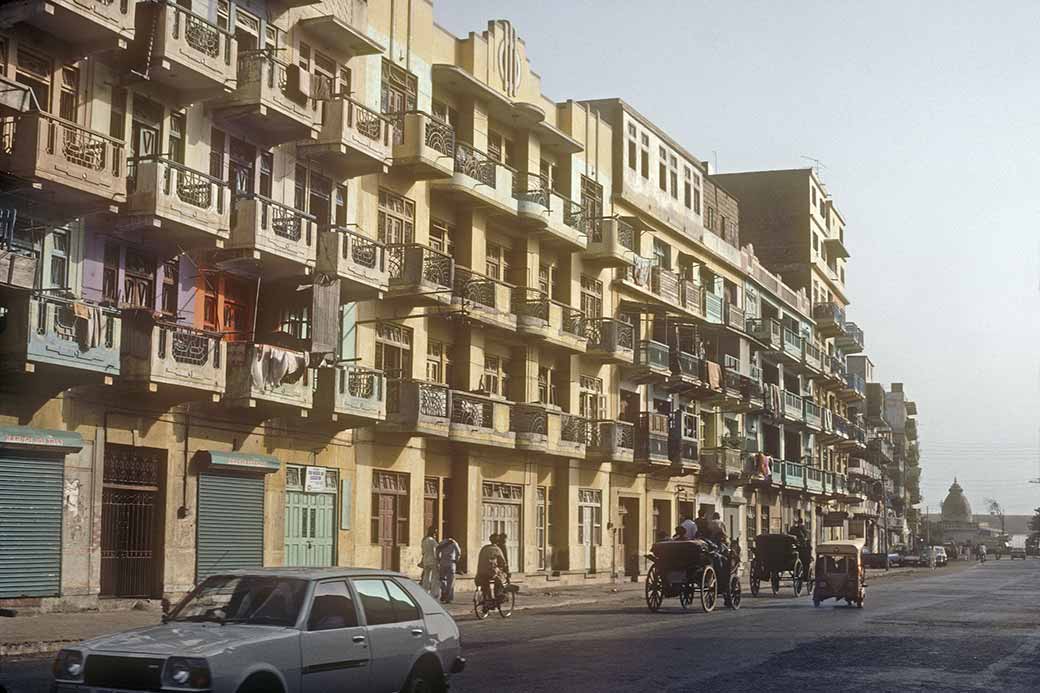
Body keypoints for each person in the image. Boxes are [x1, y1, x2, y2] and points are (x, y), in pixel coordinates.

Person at [476, 534, 507, 603]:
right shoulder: (497, 549)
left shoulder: (484, 548)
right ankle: (498, 595)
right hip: (490, 572)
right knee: (501, 580)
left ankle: (486, 598)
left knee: (485, 583)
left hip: (480, 572)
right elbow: (503, 561)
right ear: (498, 541)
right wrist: (504, 568)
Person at [437, 531, 462, 604]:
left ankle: (444, 591)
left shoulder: (442, 542)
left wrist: (439, 559)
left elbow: (437, 550)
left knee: (442, 579)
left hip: (443, 562)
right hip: (451, 563)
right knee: (450, 581)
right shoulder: (454, 543)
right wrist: (456, 560)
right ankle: (448, 597)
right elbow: (459, 552)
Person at [420, 526, 440, 599]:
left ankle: (425, 590)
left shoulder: (424, 540)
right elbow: (437, 550)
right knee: (435, 577)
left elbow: (423, 551)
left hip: (426, 560)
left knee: (426, 576)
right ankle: (434, 593)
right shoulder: (432, 541)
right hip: (433, 560)